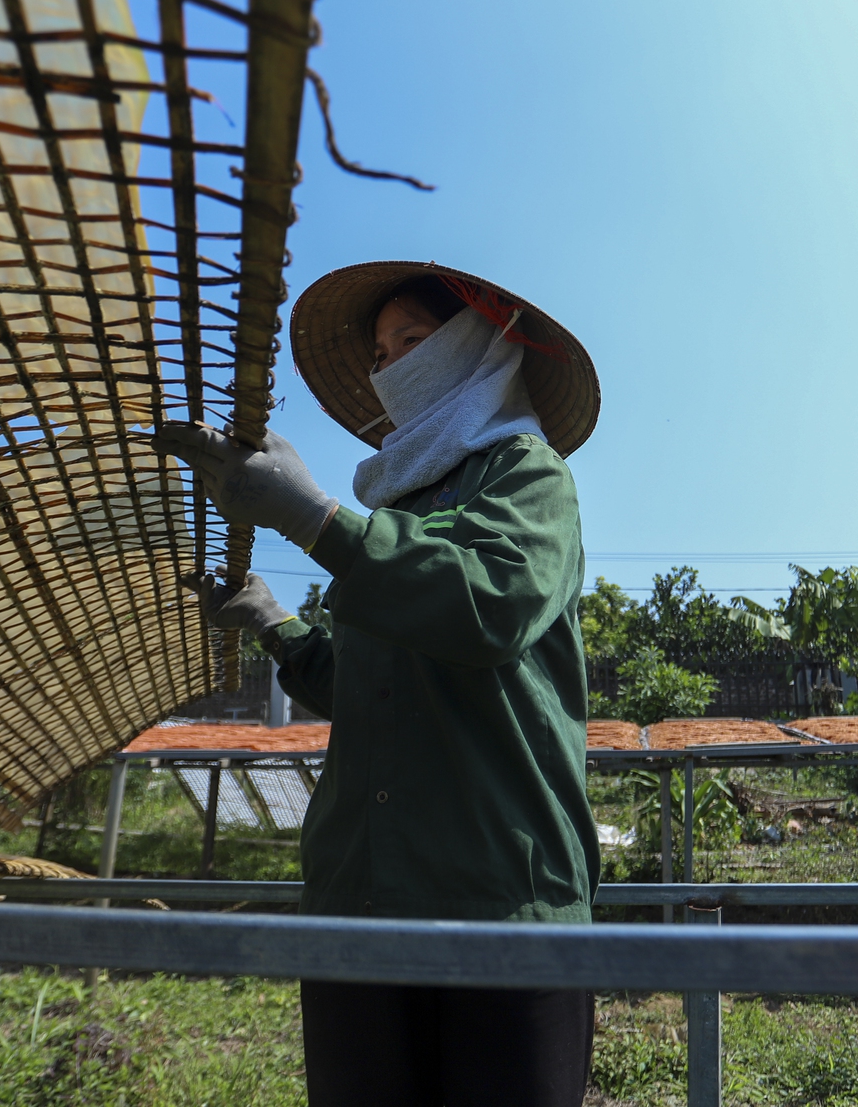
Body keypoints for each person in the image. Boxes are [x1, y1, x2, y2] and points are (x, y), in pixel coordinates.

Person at [151, 261, 603, 1107]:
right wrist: (274, 621)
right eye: (381, 353)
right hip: (358, 894)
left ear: (477, 345)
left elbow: (492, 603)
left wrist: (316, 521)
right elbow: (369, 688)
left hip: (499, 896)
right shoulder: (391, 507)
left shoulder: (527, 474)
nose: (390, 365)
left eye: (414, 340)